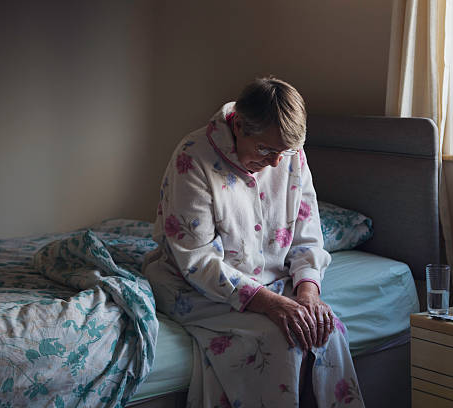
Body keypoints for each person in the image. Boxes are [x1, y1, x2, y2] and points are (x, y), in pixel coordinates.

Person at [143, 77, 364, 407]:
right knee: (279, 342)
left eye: (284, 152)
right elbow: (197, 260)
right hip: (196, 287)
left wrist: (307, 295)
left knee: (325, 331)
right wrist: (270, 303)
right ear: (240, 125)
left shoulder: (290, 155)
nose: (276, 162)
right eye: (266, 150)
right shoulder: (193, 158)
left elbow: (307, 235)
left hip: (273, 283)